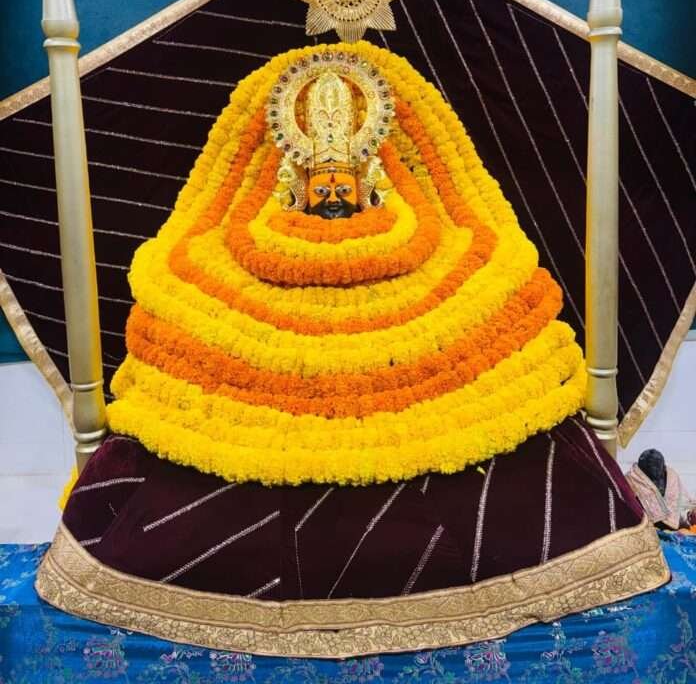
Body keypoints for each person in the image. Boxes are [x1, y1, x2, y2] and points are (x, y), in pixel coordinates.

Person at [37, 42, 668, 657]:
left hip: (404, 282)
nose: (333, 194)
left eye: (342, 182)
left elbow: (444, 219)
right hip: (269, 297)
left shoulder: (402, 196)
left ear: (367, 174)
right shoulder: (264, 201)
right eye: (323, 183)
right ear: (297, 178)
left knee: (478, 300)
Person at [626, 448, 692, 530]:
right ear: (641, 471)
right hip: (645, 525)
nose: (657, 483)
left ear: (663, 467)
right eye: (652, 478)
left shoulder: (672, 477)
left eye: (659, 472)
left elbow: (681, 503)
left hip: (675, 525)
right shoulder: (631, 480)